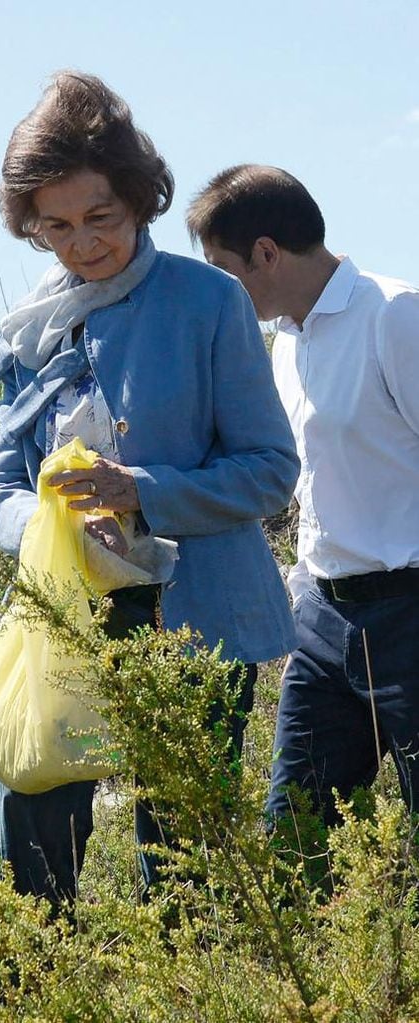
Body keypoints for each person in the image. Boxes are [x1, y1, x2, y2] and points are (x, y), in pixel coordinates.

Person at [0, 81, 299, 904]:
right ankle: (41, 988)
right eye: (57, 227)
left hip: (198, 619)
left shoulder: (209, 301)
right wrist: (49, 522)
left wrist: (137, 491)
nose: (82, 245)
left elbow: (268, 469)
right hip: (66, 615)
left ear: (139, 198)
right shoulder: (37, 327)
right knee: (29, 838)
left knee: (185, 866)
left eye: (99, 217)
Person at [187, 164, 419, 827]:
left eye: (223, 268)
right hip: (323, 618)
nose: (218, 287)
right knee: (293, 835)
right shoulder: (285, 341)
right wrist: (301, 590)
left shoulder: (395, 315)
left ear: (266, 252)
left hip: (409, 612)